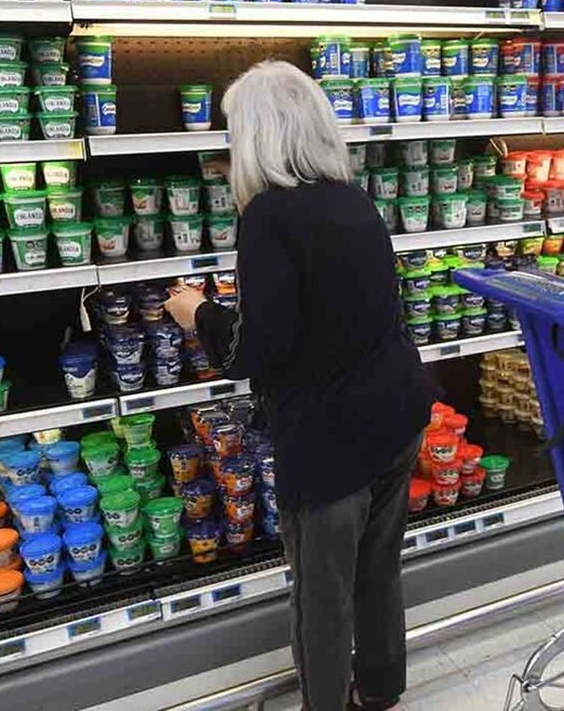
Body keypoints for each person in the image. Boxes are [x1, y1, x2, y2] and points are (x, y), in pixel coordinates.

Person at [164, 60, 432, 711]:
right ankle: (380, 689)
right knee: (378, 569)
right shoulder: (352, 199)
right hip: (397, 412)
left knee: (322, 592)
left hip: (331, 435)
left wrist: (197, 313)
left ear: (254, 137)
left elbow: (258, 347)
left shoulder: (270, 217)